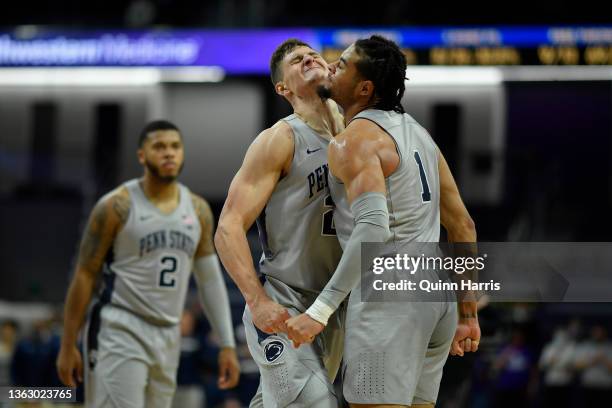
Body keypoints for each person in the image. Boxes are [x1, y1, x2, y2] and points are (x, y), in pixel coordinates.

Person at [286, 35, 481, 407]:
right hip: (436, 299)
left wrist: (320, 310)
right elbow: (463, 227)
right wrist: (467, 313)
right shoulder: (420, 136)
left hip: (390, 298)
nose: (330, 66)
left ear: (364, 87)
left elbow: (373, 228)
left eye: (341, 65)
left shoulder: (353, 141)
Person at [56, 120, 240, 408]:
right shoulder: (115, 206)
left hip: (168, 332)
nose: (169, 153)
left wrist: (227, 343)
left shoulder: (198, 209)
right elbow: (84, 275)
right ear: (142, 155)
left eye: (175, 146)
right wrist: (68, 345)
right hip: (120, 327)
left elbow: (209, 280)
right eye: (160, 146)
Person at [215, 39, 345, 407]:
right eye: (296, 60)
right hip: (287, 303)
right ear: (283, 88)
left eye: (313, 55)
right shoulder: (280, 139)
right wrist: (257, 301)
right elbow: (228, 228)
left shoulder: (358, 135)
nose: (309, 59)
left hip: (336, 306)